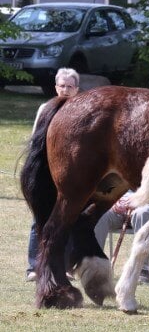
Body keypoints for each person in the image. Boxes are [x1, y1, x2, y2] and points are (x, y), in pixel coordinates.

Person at [26, 68, 80, 281]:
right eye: (62, 86)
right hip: (46, 172)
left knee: (68, 219)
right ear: (55, 87)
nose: (65, 90)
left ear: (76, 89)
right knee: (39, 219)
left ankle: (65, 267)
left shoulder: (81, 109)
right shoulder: (45, 108)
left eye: (69, 86)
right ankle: (33, 267)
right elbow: (35, 141)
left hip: (71, 175)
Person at [94, 191, 149, 284]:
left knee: (142, 213)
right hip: (119, 209)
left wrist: (140, 200)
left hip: (146, 205)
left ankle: (141, 269)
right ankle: (95, 267)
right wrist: (113, 200)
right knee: (99, 214)